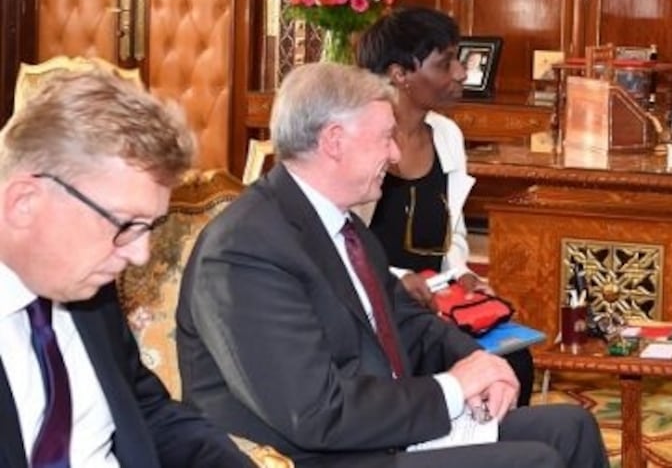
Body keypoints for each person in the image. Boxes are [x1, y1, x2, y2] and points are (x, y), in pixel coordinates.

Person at [176, 62, 607, 467]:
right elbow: (313, 413)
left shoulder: (345, 228)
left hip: (378, 429)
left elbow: (410, 325)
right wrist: (454, 388)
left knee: (571, 428)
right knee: (534, 462)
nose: (397, 154)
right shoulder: (245, 251)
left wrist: (483, 365)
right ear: (334, 141)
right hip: (317, 456)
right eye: (385, 137)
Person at [0, 71, 253, 467]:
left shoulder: (87, 291)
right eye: (125, 225)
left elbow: (148, 411)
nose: (139, 255)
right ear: (24, 203)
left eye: (149, 227)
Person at [356, 5, 535, 406]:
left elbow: (450, 232)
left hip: (438, 304)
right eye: (445, 63)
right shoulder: (358, 143)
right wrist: (396, 282)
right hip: (375, 310)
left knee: (514, 361)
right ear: (399, 74)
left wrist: (462, 276)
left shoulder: (447, 135)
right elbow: (334, 241)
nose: (460, 73)